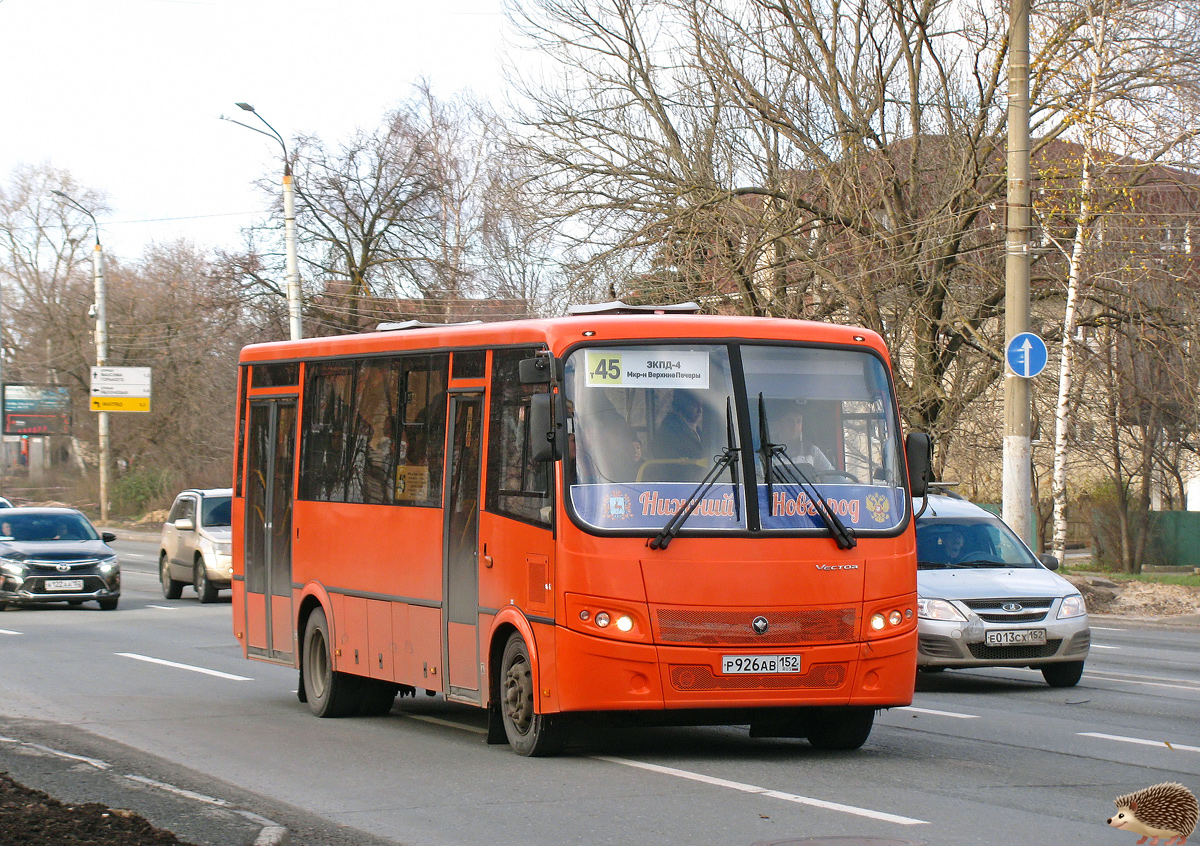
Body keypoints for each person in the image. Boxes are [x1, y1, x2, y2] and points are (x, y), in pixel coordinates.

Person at [651, 390, 705, 460]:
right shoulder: (668, 432)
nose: (700, 411)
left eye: (701, 406)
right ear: (682, 406)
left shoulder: (699, 431)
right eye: (694, 406)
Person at [781, 406, 834, 473]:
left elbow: (833, 476)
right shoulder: (769, 452)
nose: (795, 426)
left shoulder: (812, 450)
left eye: (798, 421)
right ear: (780, 424)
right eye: (789, 421)